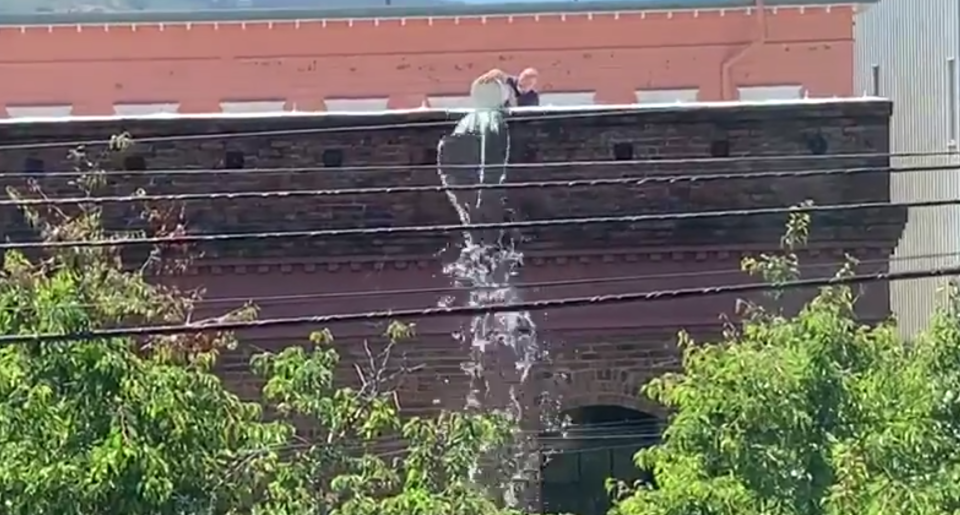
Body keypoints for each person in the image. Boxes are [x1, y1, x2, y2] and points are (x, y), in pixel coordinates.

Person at [474, 67, 540, 107]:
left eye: (530, 83)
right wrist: (490, 75)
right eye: (524, 78)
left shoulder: (533, 96)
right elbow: (498, 74)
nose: (526, 84)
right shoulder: (510, 82)